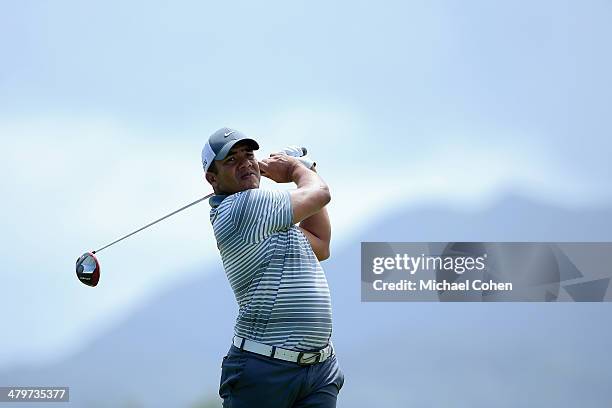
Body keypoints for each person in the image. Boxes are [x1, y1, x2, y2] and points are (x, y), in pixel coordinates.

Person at [202, 127, 344, 408]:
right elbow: (320, 194)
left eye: (248, 155)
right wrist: (294, 169)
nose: (244, 162)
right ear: (212, 179)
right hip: (264, 371)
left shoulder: (270, 219)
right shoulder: (243, 207)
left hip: (319, 370)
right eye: (231, 160)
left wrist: (304, 170)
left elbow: (320, 243)